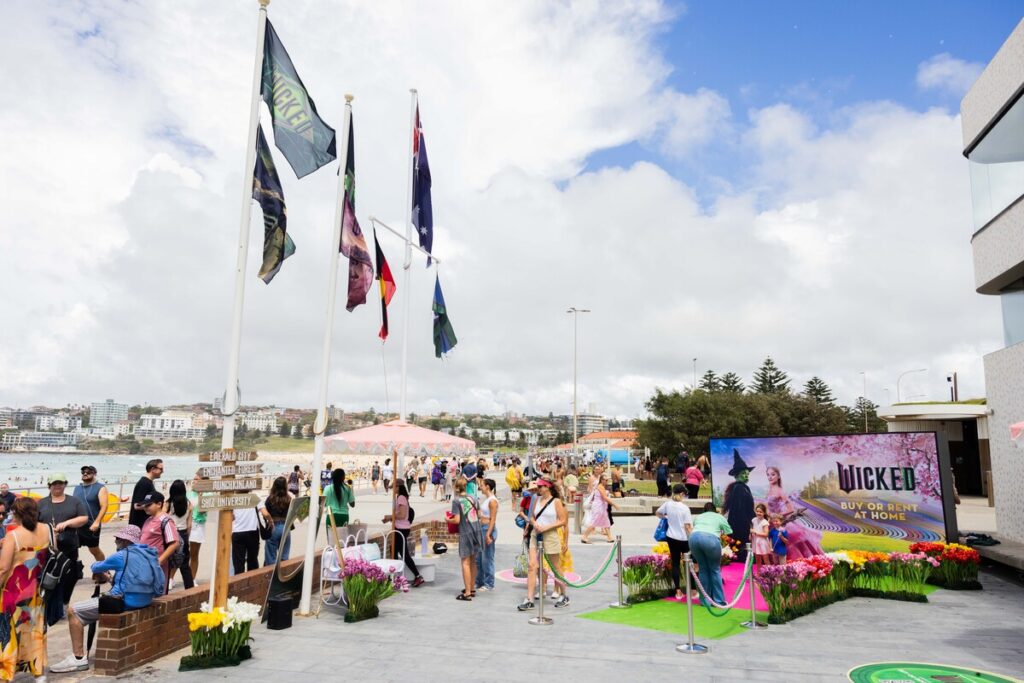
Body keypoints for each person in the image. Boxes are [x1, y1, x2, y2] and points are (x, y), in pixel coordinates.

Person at [49, 525, 164, 675]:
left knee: (74, 611)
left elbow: (95, 567)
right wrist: (110, 579)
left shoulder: (121, 555)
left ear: (126, 541)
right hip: (144, 600)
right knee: (89, 608)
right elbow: (131, 580)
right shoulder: (148, 554)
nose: (116, 541)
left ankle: (78, 658)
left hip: (124, 602)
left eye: (118, 539)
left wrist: (100, 570)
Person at [0, 497, 51, 681]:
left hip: (13, 592)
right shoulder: (47, 529)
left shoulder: (13, 535)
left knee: (8, 632)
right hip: (36, 590)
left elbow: (4, 568)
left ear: (17, 514)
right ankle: (39, 673)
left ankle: (5, 675)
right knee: (34, 630)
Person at [517, 478, 569, 610]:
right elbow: (531, 516)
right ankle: (529, 599)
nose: (538, 489)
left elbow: (563, 520)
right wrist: (534, 524)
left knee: (555, 567)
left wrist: (546, 527)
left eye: (540, 486)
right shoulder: (536, 499)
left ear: (548, 487)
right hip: (536, 534)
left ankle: (564, 594)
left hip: (550, 534)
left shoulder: (556, 502)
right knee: (532, 566)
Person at [39, 472, 89, 607]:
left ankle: (64, 603)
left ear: (65, 484)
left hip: (69, 547)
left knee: (69, 577)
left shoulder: (74, 501)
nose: (57, 486)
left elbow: (84, 518)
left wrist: (67, 523)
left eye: (60, 483)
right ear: (49, 486)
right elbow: (34, 524)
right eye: (54, 483)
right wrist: (48, 532)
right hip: (47, 548)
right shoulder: (41, 503)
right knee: (48, 578)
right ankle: (48, 604)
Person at [763, 465, 824, 560]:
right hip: (771, 522)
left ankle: (794, 562)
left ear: (778, 476)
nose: (770, 477)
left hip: (780, 520)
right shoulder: (769, 490)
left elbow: (790, 509)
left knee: (789, 537)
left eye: (773, 474)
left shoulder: (780, 491)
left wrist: (777, 516)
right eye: (768, 475)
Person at [656, 484, 696, 601]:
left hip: (671, 537)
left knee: (675, 564)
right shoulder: (685, 508)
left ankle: (678, 591)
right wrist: (694, 536)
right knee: (690, 563)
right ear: (682, 494)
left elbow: (658, 513)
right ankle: (693, 589)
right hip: (684, 538)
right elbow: (688, 527)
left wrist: (666, 518)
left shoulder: (667, 504)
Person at [382, 482, 425, 588]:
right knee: (394, 551)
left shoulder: (401, 498)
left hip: (401, 529)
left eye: (394, 487)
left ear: (398, 487)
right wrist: (390, 519)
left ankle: (413, 576)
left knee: (402, 554)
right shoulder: (402, 497)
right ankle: (395, 577)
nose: (392, 489)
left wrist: (389, 516)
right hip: (401, 528)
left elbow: (402, 515)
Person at [689, 502, 732, 607]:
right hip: (710, 539)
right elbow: (729, 531)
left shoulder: (698, 517)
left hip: (693, 538)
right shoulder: (719, 517)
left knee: (703, 569)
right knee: (715, 570)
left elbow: (696, 528)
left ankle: (705, 601)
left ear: (704, 510)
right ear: (715, 510)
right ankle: (719, 601)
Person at [449, 478, 482, 601]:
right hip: (477, 531)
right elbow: (479, 515)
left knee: (465, 562)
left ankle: (467, 593)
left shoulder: (456, 501)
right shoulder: (473, 498)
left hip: (466, 533)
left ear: (456, 487)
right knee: (473, 561)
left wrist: (448, 520)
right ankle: (472, 588)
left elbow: (457, 520)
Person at [138, 492, 180, 589]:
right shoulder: (148, 520)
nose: (145, 507)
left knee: (158, 593)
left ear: (159, 504)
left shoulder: (166, 521)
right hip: (145, 564)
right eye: (144, 505)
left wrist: (159, 561)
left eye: (149, 505)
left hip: (157, 567)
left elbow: (174, 543)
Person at [721, 449, 755, 562]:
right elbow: (741, 509)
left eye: (747, 474)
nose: (746, 476)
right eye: (744, 474)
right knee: (740, 546)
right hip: (740, 525)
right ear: (737, 475)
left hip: (739, 523)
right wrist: (751, 521)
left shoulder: (741, 487)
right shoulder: (740, 488)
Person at [73, 465, 109, 563]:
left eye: (88, 472)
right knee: (72, 549)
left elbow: (104, 506)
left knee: (94, 550)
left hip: (91, 525)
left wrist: (97, 522)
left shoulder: (100, 488)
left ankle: (103, 569)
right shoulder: (77, 488)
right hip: (77, 524)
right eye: (83, 472)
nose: (85, 473)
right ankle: (73, 569)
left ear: (94, 474)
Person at [163, 480, 194, 589]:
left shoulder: (168, 504)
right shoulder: (189, 504)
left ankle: (165, 587)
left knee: (167, 562)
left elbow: (163, 519)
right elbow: (189, 525)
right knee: (185, 565)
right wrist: (186, 538)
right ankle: (190, 589)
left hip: (170, 534)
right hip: (183, 533)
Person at [260, 476, 293, 566]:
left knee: (271, 557)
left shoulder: (270, 499)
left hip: (273, 527)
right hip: (286, 528)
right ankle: (283, 573)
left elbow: (265, 514)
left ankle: (271, 573)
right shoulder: (289, 499)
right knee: (284, 557)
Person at [475, 478, 498, 592]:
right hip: (481, 528)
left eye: (482, 485)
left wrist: (488, 534)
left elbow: (493, 519)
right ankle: (479, 581)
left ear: (487, 486)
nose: (480, 487)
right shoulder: (487, 499)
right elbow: (482, 514)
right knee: (479, 558)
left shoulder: (492, 501)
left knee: (487, 558)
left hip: (487, 528)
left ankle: (489, 583)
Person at [580, 474, 618, 544]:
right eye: (606, 480)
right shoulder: (600, 487)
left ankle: (609, 537)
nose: (607, 481)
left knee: (606, 521)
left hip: (602, 507)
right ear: (602, 480)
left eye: (607, 480)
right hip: (598, 507)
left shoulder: (602, 486)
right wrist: (614, 504)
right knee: (594, 522)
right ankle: (584, 537)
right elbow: (605, 497)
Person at [128, 459, 163, 528]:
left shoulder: (148, 482)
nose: (162, 471)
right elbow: (136, 505)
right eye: (161, 469)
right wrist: (155, 507)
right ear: (153, 469)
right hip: (139, 524)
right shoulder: (144, 483)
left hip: (143, 524)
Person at [186, 475, 205, 581]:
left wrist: (201, 495)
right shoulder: (188, 494)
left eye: (197, 479)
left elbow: (203, 511)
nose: (194, 481)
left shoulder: (207, 495)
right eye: (194, 479)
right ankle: (170, 579)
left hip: (198, 525)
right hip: (185, 525)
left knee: (194, 554)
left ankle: (192, 579)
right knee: (180, 553)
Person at [751, 503, 771, 572]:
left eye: (760, 512)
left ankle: (770, 574)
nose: (758, 513)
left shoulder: (765, 522)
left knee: (765, 560)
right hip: (755, 541)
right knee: (758, 559)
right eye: (757, 511)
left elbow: (766, 534)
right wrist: (750, 535)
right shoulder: (753, 520)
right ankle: (759, 574)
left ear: (764, 513)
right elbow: (752, 529)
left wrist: (755, 532)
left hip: (763, 542)